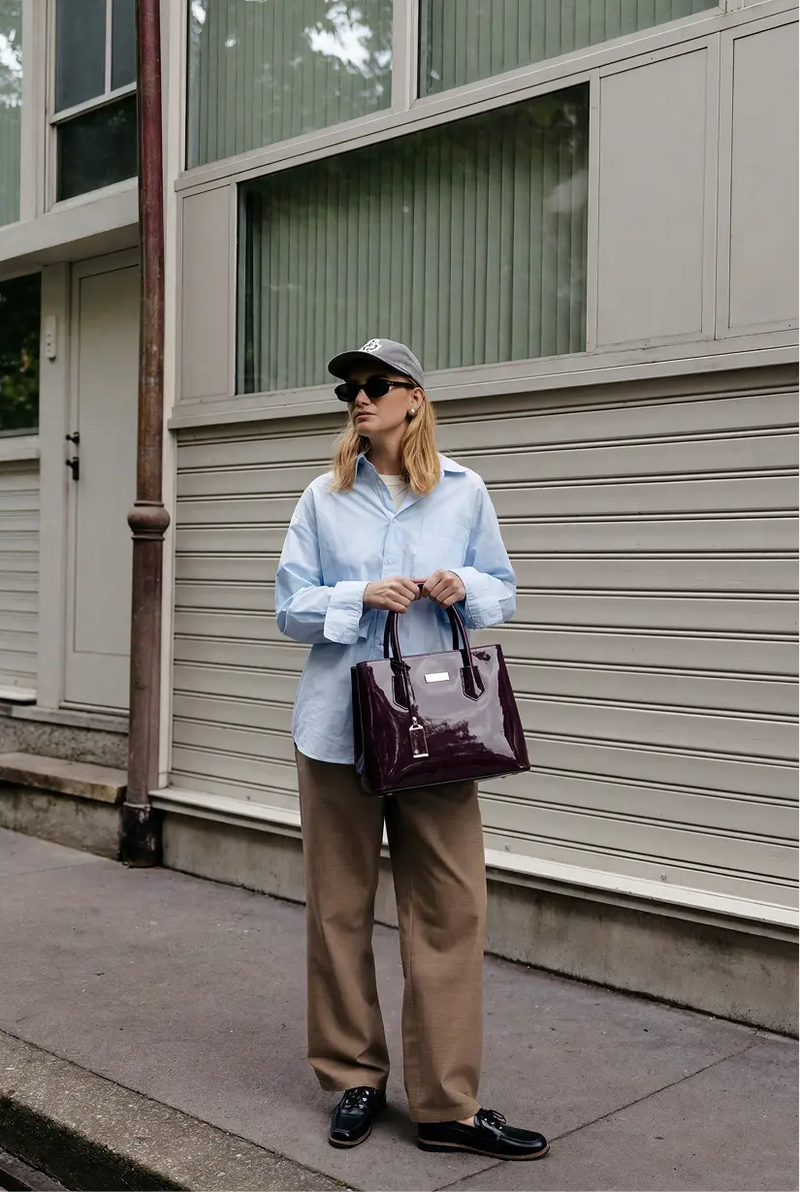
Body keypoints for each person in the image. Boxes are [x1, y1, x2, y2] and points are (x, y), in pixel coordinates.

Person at [275, 338, 549, 1161]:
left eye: (375, 384)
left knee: (452, 911)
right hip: (337, 729)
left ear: (414, 398)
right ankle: (353, 1076)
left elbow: (503, 587)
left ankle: (446, 1107)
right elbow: (289, 607)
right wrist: (357, 595)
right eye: (348, 389)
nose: (358, 398)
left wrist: (468, 587)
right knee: (338, 910)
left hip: (438, 731)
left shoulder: (463, 492)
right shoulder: (323, 497)